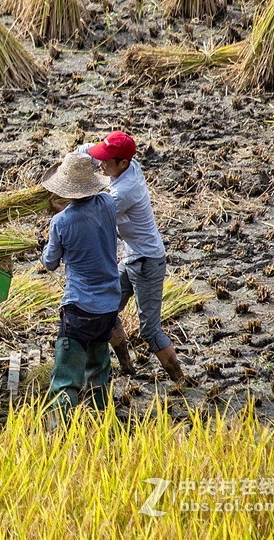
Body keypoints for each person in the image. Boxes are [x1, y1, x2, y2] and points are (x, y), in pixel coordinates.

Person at [80, 131, 189, 384]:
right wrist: (74, 162)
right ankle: (127, 368)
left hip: (148, 263)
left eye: (107, 161)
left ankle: (181, 381)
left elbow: (91, 216)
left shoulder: (123, 193)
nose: (101, 164)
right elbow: (87, 149)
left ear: (123, 163)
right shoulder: (128, 165)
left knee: (150, 331)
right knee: (105, 311)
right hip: (131, 258)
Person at [40, 152, 122, 416]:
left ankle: (59, 434)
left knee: (66, 381)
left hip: (79, 309)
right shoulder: (109, 203)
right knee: (98, 372)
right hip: (109, 305)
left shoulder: (61, 222)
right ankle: (100, 422)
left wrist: (50, 231)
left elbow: (50, 262)